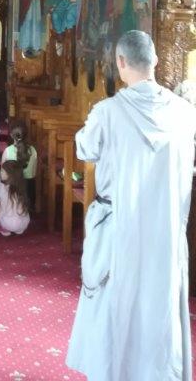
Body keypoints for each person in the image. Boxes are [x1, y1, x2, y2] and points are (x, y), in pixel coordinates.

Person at [66, 30, 196, 381]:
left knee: (115, 305)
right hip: (163, 230)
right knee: (157, 305)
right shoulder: (186, 113)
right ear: (155, 60)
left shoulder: (107, 112)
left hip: (119, 228)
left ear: (120, 63)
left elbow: (84, 149)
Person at [2, 123, 37, 210]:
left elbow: (3, 175)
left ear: (11, 135)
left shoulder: (7, 151)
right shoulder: (33, 150)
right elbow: (33, 173)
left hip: (12, 188)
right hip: (29, 188)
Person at [0, 160, 30, 236]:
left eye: (2, 171)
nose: (0, 173)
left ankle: (4, 227)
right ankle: (17, 230)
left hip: (10, 223)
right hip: (24, 223)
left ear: (9, 174)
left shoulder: (2, 187)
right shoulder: (21, 187)